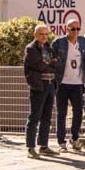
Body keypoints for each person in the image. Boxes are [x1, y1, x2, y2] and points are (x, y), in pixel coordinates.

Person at [51, 18, 85, 151]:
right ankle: (61, 142)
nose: (75, 31)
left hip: (78, 84)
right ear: (66, 29)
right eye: (72, 29)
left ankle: (74, 138)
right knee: (61, 114)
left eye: (78, 29)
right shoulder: (58, 43)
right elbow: (51, 60)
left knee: (78, 113)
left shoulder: (84, 43)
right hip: (62, 84)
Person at [23, 24, 60, 159]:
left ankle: (43, 146)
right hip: (39, 86)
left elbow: (57, 63)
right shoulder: (31, 48)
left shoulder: (48, 48)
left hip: (50, 84)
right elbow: (39, 66)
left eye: (46, 34)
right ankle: (31, 147)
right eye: (41, 34)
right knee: (34, 116)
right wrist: (51, 64)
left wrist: (50, 64)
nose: (44, 37)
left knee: (47, 117)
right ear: (35, 35)